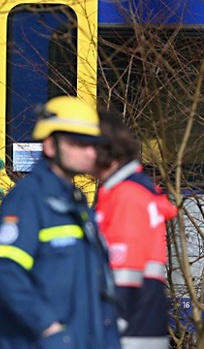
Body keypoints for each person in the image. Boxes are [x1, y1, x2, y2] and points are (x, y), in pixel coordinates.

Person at [0, 96, 120, 349]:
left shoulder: (76, 206)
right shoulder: (28, 197)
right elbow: (7, 268)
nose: (89, 152)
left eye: (93, 145)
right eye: (78, 143)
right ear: (50, 145)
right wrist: (48, 327)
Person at [94, 110, 177, 349]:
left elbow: (123, 275)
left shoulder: (125, 196)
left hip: (125, 333)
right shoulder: (129, 190)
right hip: (139, 329)